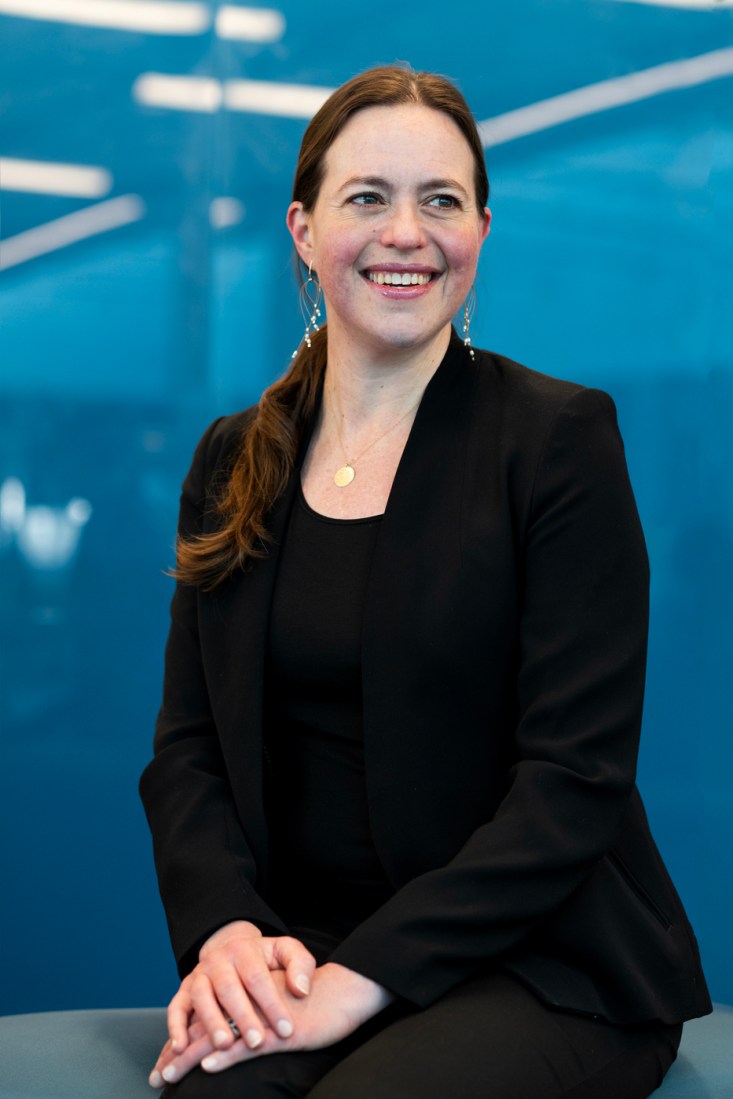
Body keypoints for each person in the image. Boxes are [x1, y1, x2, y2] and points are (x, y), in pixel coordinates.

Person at [140, 64, 711, 1099]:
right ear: (304, 231)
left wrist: (363, 980)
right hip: (306, 943)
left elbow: (572, 784)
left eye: (440, 201)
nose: (405, 231)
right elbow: (187, 751)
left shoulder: (556, 441)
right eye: (367, 197)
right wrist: (225, 930)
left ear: (480, 232)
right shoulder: (232, 458)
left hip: (541, 958)